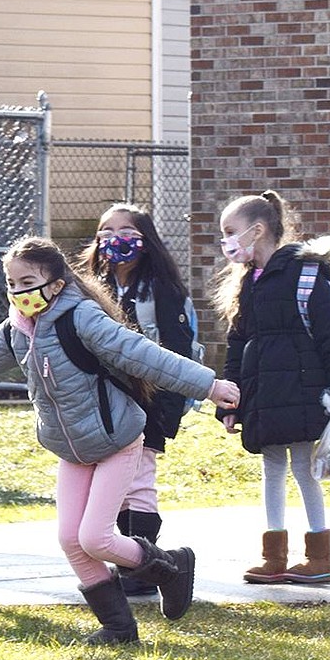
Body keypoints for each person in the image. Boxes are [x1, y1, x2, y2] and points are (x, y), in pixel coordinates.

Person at [0, 236, 241, 645]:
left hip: (116, 439)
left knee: (95, 538)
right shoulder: (17, 330)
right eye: (11, 283)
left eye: (27, 281)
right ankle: (118, 628)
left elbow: (143, 355)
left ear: (57, 284)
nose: (18, 292)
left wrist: (208, 385)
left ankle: (170, 566)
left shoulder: (82, 318)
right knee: (70, 539)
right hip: (70, 447)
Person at [211, 190, 330, 585]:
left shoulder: (305, 275)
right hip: (265, 396)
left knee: (305, 469)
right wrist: (231, 401)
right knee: (272, 467)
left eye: (230, 231)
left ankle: (318, 555)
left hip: (302, 391)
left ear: (257, 231)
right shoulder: (248, 283)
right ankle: (274, 556)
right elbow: (238, 346)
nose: (225, 240)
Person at [78, 203, 197, 596]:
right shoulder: (91, 288)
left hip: (150, 400)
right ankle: (130, 558)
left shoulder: (162, 290)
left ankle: (143, 566)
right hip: (106, 401)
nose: (115, 240)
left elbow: (177, 349)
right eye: (106, 232)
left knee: (139, 480)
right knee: (117, 483)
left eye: (125, 231)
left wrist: (170, 405)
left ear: (145, 241)